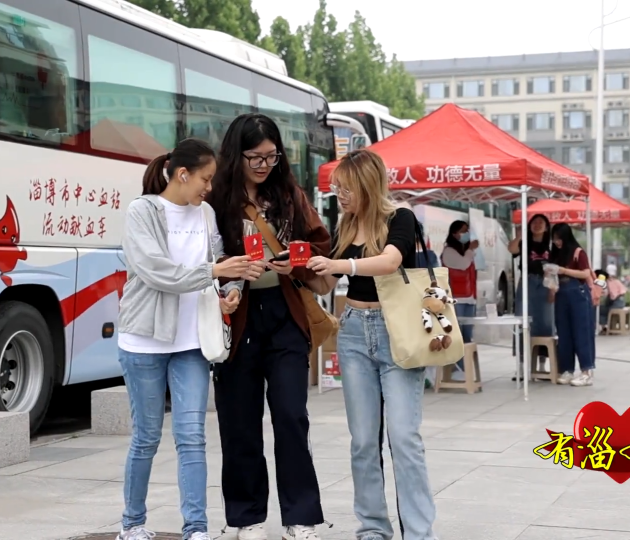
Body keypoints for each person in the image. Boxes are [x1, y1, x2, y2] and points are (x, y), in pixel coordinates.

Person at [116, 138, 262, 540]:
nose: (209, 188)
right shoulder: (142, 210)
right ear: (183, 174)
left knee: (192, 438)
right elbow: (156, 271)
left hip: (192, 344)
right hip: (143, 341)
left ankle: (196, 529)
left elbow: (217, 268)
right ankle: (132, 524)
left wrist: (229, 290)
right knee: (146, 437)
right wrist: (214, 273)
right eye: (205, 178)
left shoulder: (206, 214)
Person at [206, 113, 330, 540]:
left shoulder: (290, 194)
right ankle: (246, 518)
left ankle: (301, 516)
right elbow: (202, 256)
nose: (263, 165)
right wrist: (229, 277)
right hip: (235, 315)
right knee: (239, 421)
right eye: (255, 157)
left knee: (292, 415)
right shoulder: (217, 199)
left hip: (284, 312)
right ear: (234, 155)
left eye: (271, 157)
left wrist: (294, 257)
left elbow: (321, 243)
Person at [306, 149, 436, 540]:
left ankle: (418, 532)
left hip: (396, 331)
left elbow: (391, 261)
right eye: (337, 189)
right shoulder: (345, 225)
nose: (340, 196)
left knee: (404, 437)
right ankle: (373, 528)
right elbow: (327, 283)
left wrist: (339, 266)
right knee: (364, 441)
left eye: (346, 188)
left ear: (366, 184)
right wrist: (301, 270)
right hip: (353, 332)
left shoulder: (400, 217)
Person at [549, 223, 596, 387]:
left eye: (559, 238)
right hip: (561, 293)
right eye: (554, 239)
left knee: (582, 331)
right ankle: (567, 369)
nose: (557, 242)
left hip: (578, 293)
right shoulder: (555, 254)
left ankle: (586, 371)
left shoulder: (578, 252)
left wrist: (564, 270)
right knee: (564, 333)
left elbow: (585, 273)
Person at [508, 214, 555, 375]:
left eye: (541, 223)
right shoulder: (525, 242)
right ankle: (521, 364)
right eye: (534, 222)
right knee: (522, 320)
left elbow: (556, 268)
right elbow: (512, 249)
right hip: (527, 281)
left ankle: (541, 362)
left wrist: (553, 289)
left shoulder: (551, 244)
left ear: (547, 227)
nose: (537, 225)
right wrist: (520, 236)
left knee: (546, 322)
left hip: (546, 283)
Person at [441, 220, 478, 381]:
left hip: (469, 298)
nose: (466, 234)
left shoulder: (465, 250)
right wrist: (470, 250)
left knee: (467, 337)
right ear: (454, 233)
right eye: (463, 231)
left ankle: (466, 367)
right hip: (456, 298)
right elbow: (463, 265)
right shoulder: (449, 251)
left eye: (467, 230)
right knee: (457, 336)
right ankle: (457, 368)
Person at [599, 264, 628, 334]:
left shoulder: (613, 282)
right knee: (602, 309)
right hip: (616, 301)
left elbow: (620, 292)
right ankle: (607, 327)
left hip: (618, 301)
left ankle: (608, 328)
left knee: (605, 310)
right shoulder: (612, 281)